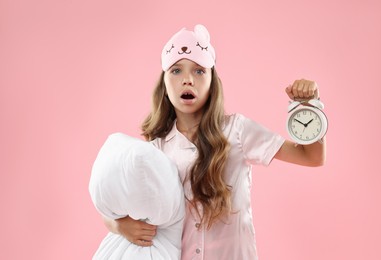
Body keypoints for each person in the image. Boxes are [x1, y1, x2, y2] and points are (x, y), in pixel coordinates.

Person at [102, 24, 326, 259]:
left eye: (199, 71)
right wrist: (118, 225)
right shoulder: (155, 150)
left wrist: (310, 106)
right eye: (176, 71)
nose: (187, 80)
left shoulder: (237, 130)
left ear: (212, 82)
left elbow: (311, 156)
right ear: (165, 84)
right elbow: (111, 200)